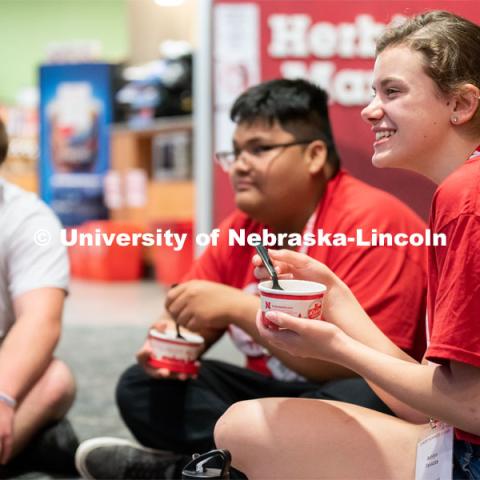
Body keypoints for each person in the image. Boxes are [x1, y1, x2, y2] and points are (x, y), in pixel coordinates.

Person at [75, 79, 428, 479]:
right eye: (235, 152)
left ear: (314, 155)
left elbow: (377, 372)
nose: (240, 165)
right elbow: (190, 317)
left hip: (357, 400)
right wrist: (166, 345)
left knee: (362, 394)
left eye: (259, 149)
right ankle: (242, 467)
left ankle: (184, 471)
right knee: (141, 387)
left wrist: (240, 307)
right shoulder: (242, 228)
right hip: (270, 407)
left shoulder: (375, 223)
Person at [214, 10, 480, 479]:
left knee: (244, 426)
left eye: (392, 92)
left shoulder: (463, 197)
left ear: (460, 104)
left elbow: (468, 407)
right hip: (450, 428)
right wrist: (336, 298)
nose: (369, 109)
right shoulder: (460, 191)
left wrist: (335, 346)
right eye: (236, 153)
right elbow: (440, 401)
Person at [0, 119, 78, 476]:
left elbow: (40, 319)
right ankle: (30, 447)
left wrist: (2, 397)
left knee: (55, 379)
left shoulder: (27, 218)